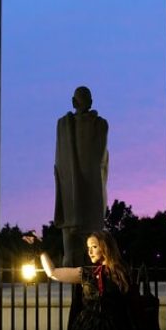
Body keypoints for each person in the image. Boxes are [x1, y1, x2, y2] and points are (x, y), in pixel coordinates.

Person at [53, 86, 109, 267]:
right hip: (73, 192)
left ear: (73, 102)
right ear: (90, 102)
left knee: (86, 250)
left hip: (86, 193)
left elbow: (99, 159)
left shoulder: (99, 125)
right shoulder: (64, 125)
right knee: (74, 253)